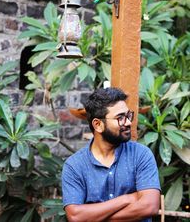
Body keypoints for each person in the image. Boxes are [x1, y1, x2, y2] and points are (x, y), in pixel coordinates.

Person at [62, 87, 161, 222]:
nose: (127, 122)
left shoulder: (141, 155)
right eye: (120, 118)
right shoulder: (74, 166)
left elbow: (150, 207)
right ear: (98, 125)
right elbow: (75, 216)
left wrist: (93, 217)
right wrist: (126, 199)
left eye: (128, 116)